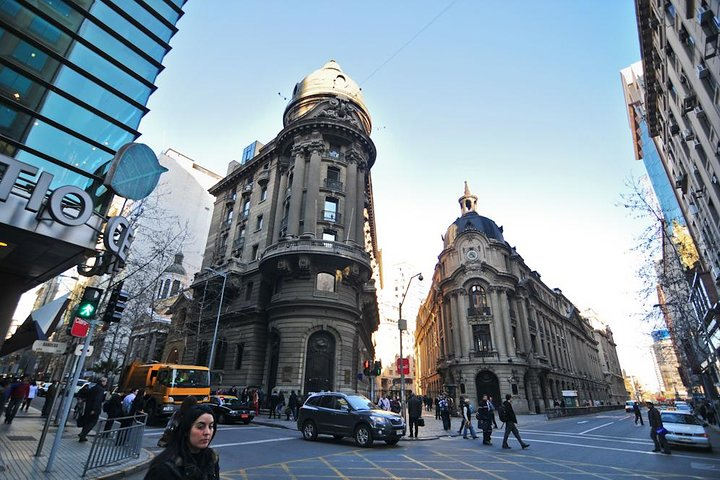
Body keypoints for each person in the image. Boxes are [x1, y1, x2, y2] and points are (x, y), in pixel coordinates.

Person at [144, 405, 220, 480]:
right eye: (200, 427)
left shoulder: (211, 458)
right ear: (186, 430)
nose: (207, 432)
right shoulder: (164, 468)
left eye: (211, 426)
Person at [78, 377, 108, 442]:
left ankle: (83, 436)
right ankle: (83, 434)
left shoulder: (94, 387)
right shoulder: (100, 389)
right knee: (92, 422)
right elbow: (97, 400)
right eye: (105, 382)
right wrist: (94, 409)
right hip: (94, 409)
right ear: (102, 381)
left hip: (88, 407)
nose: (106, 383)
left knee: (86, 422)